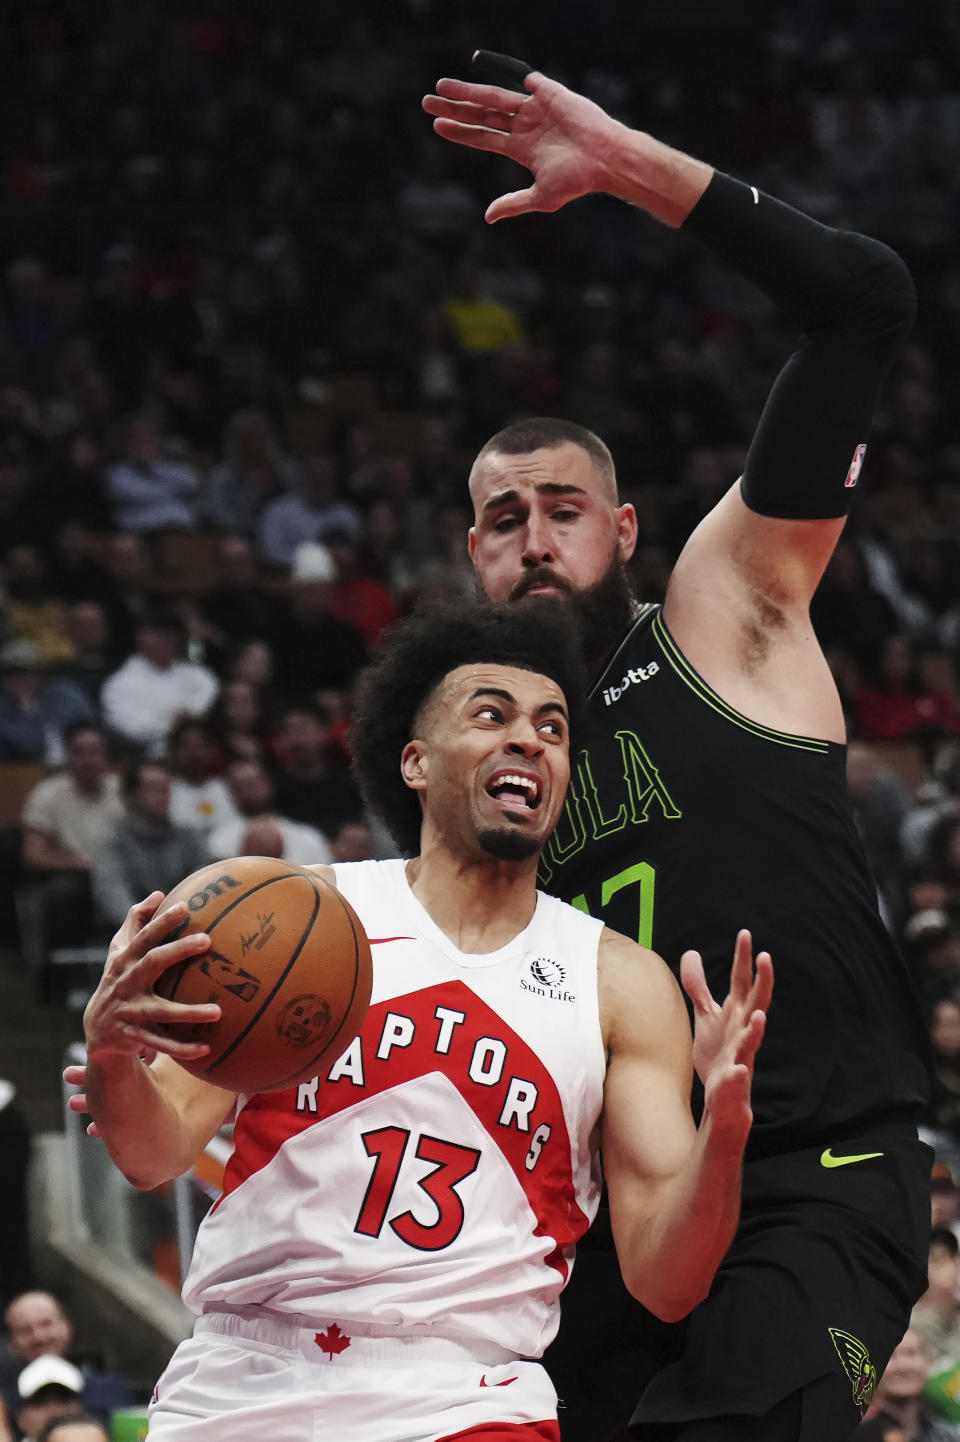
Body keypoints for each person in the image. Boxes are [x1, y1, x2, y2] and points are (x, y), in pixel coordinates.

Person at [425, 51, 932, 1442]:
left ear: (626, 530)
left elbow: (863, 300)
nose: (535, 536)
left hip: (806, 1169)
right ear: (470, 554)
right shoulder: (476, 766)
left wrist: (626, 163)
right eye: (503, 516)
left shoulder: (720, 617)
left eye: (564, 506)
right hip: (614, 1210)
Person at [70, 600, 771, 1442]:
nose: (529, 740)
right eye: (492, 715)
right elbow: (153, 1154)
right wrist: (112, 1056)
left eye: (552, 729)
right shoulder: (298, 912)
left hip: (468, 1395)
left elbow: (667, 1280)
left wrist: (725, 1133)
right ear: (415, 762)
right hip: (246, 1374)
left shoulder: (620, 981)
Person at [91, 760, 209, 930]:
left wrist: (185, 913)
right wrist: (146, 925)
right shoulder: (112, 839)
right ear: (130, 795)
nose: (162, 797)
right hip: (130, 931)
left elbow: (206, 873)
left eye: (166, 789)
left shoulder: (186, 834)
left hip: (183, 922)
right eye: (154, 789)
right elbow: (111, 891)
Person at [0, 1291, 133, 1429]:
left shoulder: (111, 1389)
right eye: (25, 1330)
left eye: (47, 1324)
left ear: (66, 1326)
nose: (39, 1336)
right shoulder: (5, 1399)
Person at [858, 1329, 960, 1442]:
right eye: (890, 1355)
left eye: (911, 1353)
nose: (902, 1366)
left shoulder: (947, 1435)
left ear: (928, 1362)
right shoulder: (850, 1431)